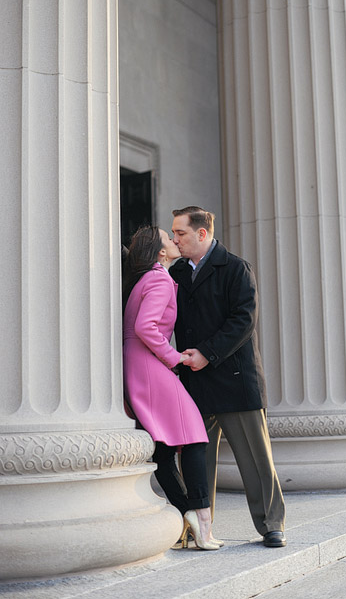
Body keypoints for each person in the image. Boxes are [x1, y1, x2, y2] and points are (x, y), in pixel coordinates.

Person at [169, 206, 287, 547]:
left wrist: (207, 353)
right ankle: (199, 528)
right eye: (173, 233)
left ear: (202, 234)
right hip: (194, 381)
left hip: (235, 379)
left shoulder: (235, 268)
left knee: (255, 458)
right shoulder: (176, 272)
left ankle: (271, 524)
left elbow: (243, 320)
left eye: (181, 233)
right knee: (195, 460)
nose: (175, 238)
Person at [122, 225, 220, 550]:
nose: (175, 240)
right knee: (193, 435)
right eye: (169, 237)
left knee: (164, 448)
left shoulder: (145, 279)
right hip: (150, 365)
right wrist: (174, 357)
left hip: (139, 364)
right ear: (161, 252)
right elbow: (145, 327)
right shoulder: (160, 279)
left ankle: (183, 515)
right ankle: (197, 517)